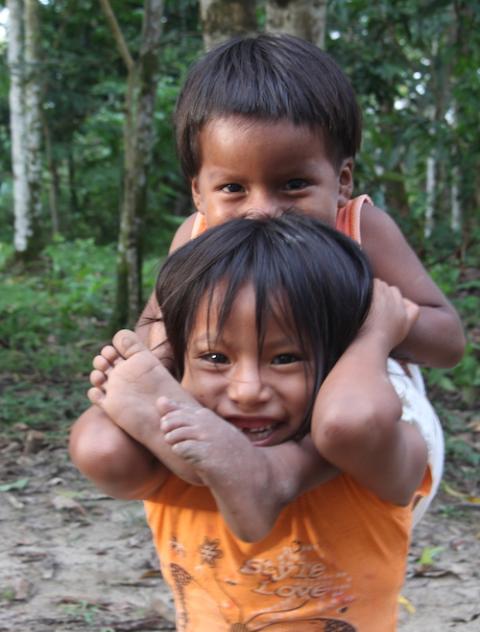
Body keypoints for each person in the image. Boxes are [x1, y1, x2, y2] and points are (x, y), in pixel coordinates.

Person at [70, 33, 463, 522]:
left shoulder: (360, 228)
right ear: (199, 193)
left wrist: (370, 322)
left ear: (341, 181)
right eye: (233, 188)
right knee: (104, 442)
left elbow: (448, 341)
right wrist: (153, 372)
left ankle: (274, 477)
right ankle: (222, 465)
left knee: (343, 420)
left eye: (294, 185)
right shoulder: (195, 236)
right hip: (244, 403)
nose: (262, 210)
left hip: (371, 418)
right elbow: (162, 327)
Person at [76, 214, 433, 632]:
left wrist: (374, 336)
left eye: (286, 358)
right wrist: (166, 411)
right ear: (181, 364)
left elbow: (354, 419)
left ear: (339, 363)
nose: (247, 391)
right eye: (216, 359)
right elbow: (99, 451)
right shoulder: (183, 464)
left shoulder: (374, 465)